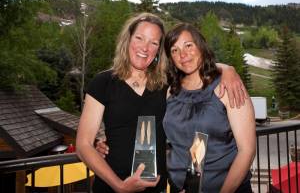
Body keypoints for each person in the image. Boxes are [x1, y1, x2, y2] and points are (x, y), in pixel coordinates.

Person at [76, 12, 247, 193]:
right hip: (112, 186)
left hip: (155, 187)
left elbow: (194, 66)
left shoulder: (167, 83)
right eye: (139, 38)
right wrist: (119, 186)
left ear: (159, 51)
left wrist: (227, 69)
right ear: (128, 40)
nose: (145, 47)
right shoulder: (103, 82)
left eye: (154, 43)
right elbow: (82, 145)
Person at [163, 23, 256, 193]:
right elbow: (173, 144)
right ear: (171, 58)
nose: (182, 54)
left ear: (201, 46)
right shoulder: (171, 92)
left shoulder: (228, 86)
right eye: (174, 50)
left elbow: (247, 150)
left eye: (188, 45)